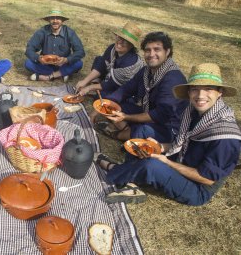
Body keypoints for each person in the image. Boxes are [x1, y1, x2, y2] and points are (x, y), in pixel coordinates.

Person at [96, 63, 241, 206]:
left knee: (153, 165)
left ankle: (113, 169)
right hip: (183, 159)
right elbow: (184, 144)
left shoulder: (225, 136)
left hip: (197, 187)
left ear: (219, 92)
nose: (200, 96)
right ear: (189, 92)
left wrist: (167, 163)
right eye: (195, 89)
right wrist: (160, 146)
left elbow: (207, 179)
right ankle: (132, 180)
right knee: (143, 131)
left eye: (208, 89)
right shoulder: (193, 112)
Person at [92, 32, 188, 143]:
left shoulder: (173, 79)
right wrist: (99, 109)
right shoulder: (146, 71)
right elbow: (125, 90)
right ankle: (126, 129)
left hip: (168, 126)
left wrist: (126, 117)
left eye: (157, 50)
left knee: (142, 130)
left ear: (167, 52)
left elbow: (160, 115)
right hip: (148, 112)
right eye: (148, 50)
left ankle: (119, 134)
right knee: (113, 107)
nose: (151, 54)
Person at [75, 22, 145, 97]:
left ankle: (98, 86)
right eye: (120, 37)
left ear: (131, 45)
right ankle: (98, 81)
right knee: (99, 59)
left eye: (125, 41)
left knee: (101, 97)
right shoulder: (112, 48)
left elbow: (111, 84)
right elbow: (101, 65)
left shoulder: (130, 62)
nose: (120, 42)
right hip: (111, 77)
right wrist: (85, 81)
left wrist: (89, 88)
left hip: (122, 86)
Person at [25, 8, 85, 82]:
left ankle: (48, 77)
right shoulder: (42, 31)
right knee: (28, 63)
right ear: (48, 20)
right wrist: (38, 58)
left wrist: (66, 60)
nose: (55, 21)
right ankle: (61, 74)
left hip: (63, 64)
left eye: (58, 18)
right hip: (45, 64)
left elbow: (80, 51)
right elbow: (29, 49)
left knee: (79, 63)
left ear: (62, 21)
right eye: (52, 18)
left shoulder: (69, 32)